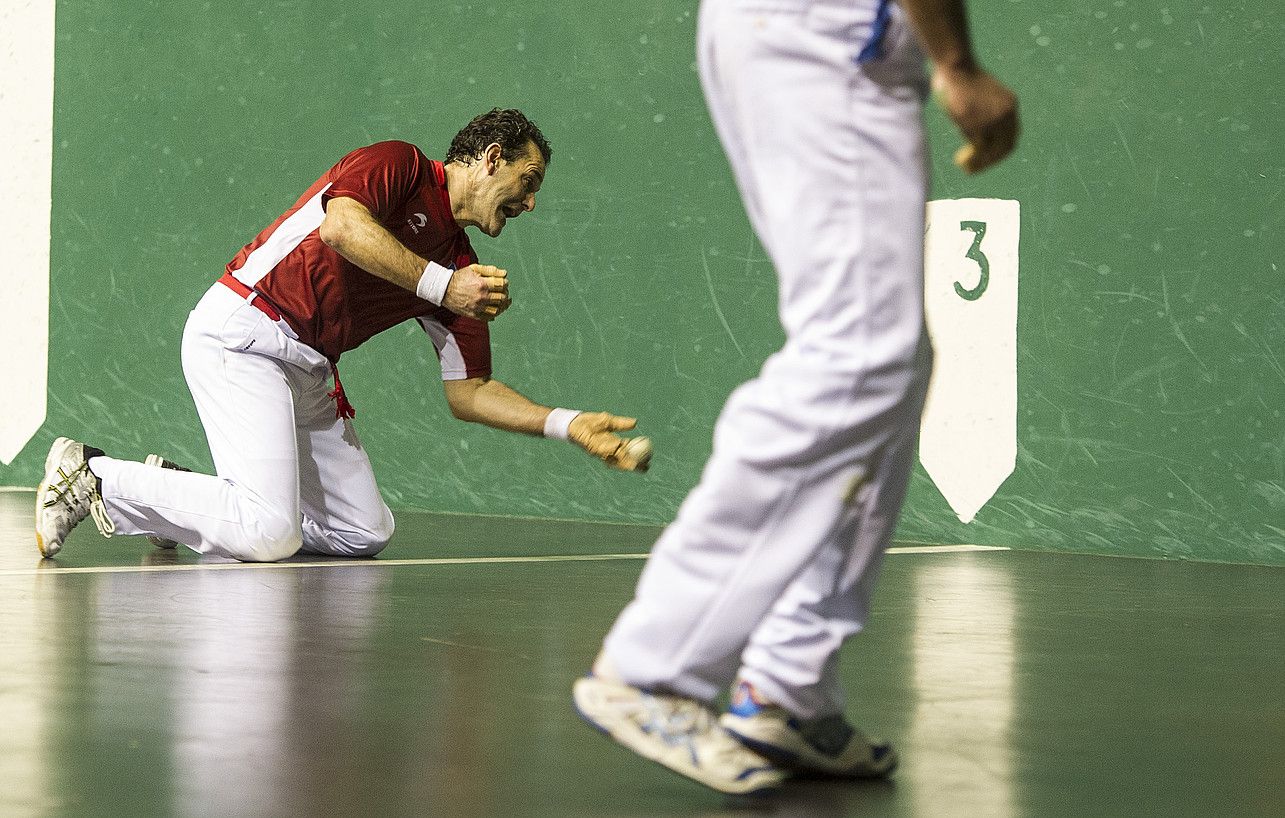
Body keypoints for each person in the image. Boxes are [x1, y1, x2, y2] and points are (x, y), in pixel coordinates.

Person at [573, 0, 1019, 795]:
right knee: (857, 352)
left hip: (826, 40)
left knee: (888, 360)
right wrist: (956, 62)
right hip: (829, 36)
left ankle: (788, 689)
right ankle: (651, 669)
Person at [35, 108, 649, 561]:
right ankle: (88, 474)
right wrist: (440, 287)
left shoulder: (461, 268)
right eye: (529, 179)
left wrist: (567, 423)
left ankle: (173, 500)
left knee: (364, 532)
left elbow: (470, 391)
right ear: (491, 159)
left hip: (308, 370)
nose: (532, 201)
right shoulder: (401, 166)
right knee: (269, 533)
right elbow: (342, 228)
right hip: (245, 331)